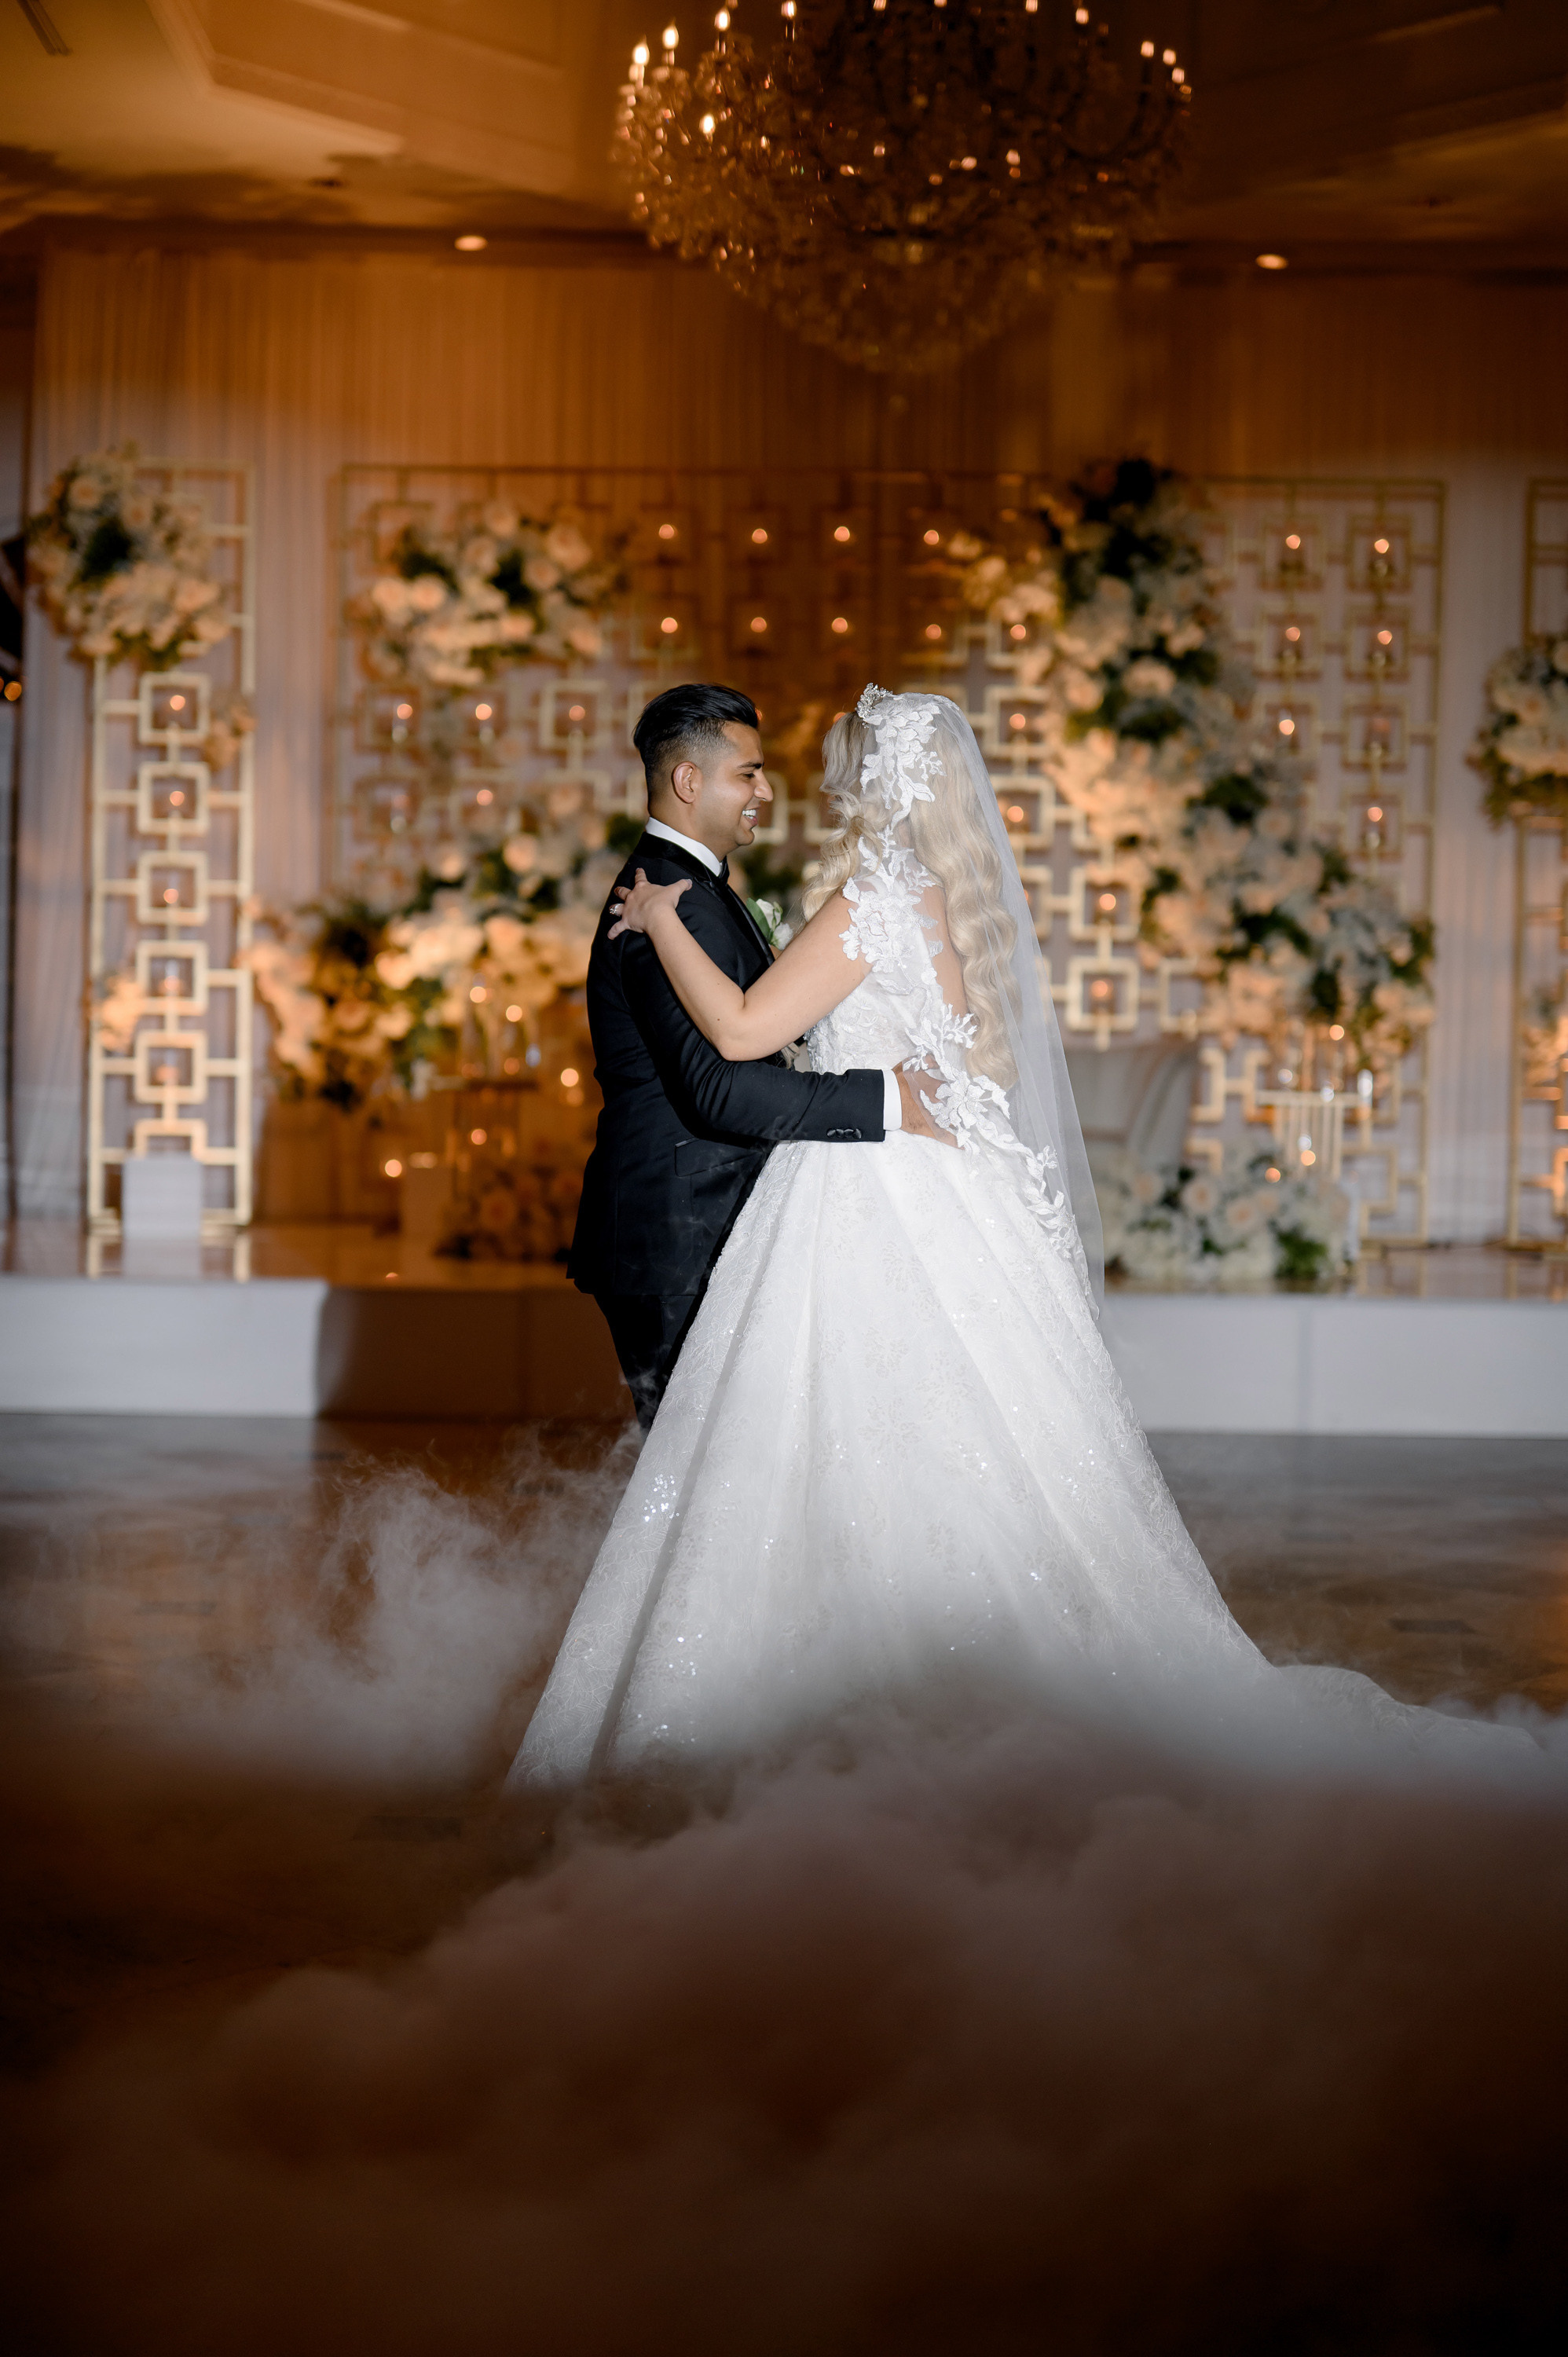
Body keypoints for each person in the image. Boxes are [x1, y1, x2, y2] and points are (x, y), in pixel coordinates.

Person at [509, 687, 1535, 1796]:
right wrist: (894, 1091)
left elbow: (749, 1041)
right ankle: (835, 1702)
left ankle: (789, 1712)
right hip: (877, 1199)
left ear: (875, 785)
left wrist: (670, 928)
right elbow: (929, 1070)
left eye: (821, 767)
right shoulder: (934, 901)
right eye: (755, 773)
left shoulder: (858, 897)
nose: (786, 788)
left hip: (857, 1200)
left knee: (816, 1448)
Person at [568, 682, 950, 1430]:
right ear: (688, 781)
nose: (766, 791)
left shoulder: (694, 893)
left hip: (701, 1221)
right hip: (680, 1234)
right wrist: (893, 1101)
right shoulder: (665, 900)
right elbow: (720, 1091)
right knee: (697, 1475)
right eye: (748, 773)